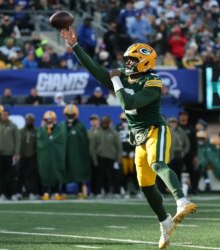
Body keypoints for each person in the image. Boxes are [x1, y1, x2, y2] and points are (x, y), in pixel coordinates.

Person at [61, 27, 197, 249]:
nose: (128, 63)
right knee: (145, 185)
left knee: (157, 164)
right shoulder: (124, 75)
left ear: (144, 63)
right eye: (127, 59)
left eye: (133, 60)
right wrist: (74, 45)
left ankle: (182, 201)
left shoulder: (153, 81)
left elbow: (128, 103)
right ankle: (165, 222)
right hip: (139, 137)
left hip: (156, 130)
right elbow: (95, 70)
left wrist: (115, 82)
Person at [62, 104, 91, 199]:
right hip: (65, 155)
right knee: (63, 172)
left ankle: (80, 191)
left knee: (78, 173)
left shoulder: (80, 126)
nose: (70, 117)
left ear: (76, 115)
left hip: (77, 156)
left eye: (72, 115)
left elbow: (85, 143)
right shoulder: (62, 126)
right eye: (68, 115)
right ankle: (62, 192)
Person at [0, 110, 20, 201]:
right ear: (0, 116)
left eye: (6, 115)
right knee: (1, 175)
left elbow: (17, 140)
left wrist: (16, 153)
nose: (4, 117)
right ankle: (3, 194)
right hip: (0, 154)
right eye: (3, 115)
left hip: (10, 154)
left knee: (12, 175)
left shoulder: (13, 126)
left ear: (8, 116)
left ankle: (14, 193)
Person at [37, 111, 67, 201]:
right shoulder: (41, 130)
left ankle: (56, 192)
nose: (49, 122)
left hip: (55, 156)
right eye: (47, 120)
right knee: (45, 172)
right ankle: (45, 192)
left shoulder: (59, 129)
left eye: (51, 120)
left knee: (56, 172)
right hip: (45, 156)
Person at [116, 113, 137, 199]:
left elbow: (137, 140)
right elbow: (116, 141)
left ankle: (136, 190)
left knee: (134, 172)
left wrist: (134, 151)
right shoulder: (117, 127)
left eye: (126, 119)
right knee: (123, 173)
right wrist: (120, 152)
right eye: (123, 120)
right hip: (122, 155)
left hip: (132, 154)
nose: (125, 122)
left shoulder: (133, 127)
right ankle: (124, 189)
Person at [19, 113, 39, 200]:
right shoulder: (21, 131)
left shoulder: (37, 131)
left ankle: (32, 192)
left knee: (33, 176)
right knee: (20, 175)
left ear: (33, 121)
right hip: (22, 155)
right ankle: (19, 192)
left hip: (32, 155)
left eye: (31, 120)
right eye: (28, 120)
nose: (29, 122)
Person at [178, 110, 198, 195]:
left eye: (184, 115)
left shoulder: (191, 129)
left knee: (192, 172)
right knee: (177, 172)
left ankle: (194, 189)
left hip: (189, 154)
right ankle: (178, 190)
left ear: (187, 117)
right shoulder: (177, 128)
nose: (183, 117)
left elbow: (194, 143)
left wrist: (195, 155)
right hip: (178, 154)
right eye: (181, 115)